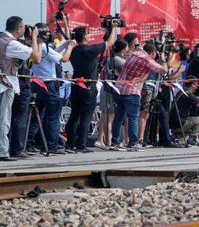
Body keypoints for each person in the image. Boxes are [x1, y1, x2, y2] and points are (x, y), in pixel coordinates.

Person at [66, 24, 115, 152]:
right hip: (88, 87)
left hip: (76, 85)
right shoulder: (90, 50)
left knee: (74, 116)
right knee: (86, 117)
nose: (89, 36)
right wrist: (114, 27)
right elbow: (110, 42)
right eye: (87, 34)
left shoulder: (73, 51)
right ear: (85, 37)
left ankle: (70, 144)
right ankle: (81, 145)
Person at [112, 42, 169, 150]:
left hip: (119, 88)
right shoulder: (147, 59)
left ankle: (115, 142)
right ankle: (133, 143)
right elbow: (164, 70)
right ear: (152, 53)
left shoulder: (134, 54)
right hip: (132, 91)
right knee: (133, 118)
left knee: (118, 118)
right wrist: (162, 58)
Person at [0, 17, 42, 161]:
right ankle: (3, 152)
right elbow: (36, 58)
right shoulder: (11, 44)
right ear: (18, 29)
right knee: (4, 120)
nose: (25, 29)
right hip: (6, 85)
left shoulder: (1, 38)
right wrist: (36, 38)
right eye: (23, 27)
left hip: (4, 83)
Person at [30, 23, 75, 154]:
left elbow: (53, 53)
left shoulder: (37, 46)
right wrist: (71, 46)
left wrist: (65, 45)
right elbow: (65, 59)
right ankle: (51, 146)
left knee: (36, 116)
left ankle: (30, 143)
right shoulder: (43, 47)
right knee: (53, 117)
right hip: (48, 84)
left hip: (37, 83)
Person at [170, 75, 199, 146]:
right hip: (180, 123)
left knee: (191, 123)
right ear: (193, 84)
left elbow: (195, 99)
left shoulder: (182, 92)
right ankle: (191, 139)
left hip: (174, 123)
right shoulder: (189, 95)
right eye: (196, 84)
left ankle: (175, 136)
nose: (198, 86)